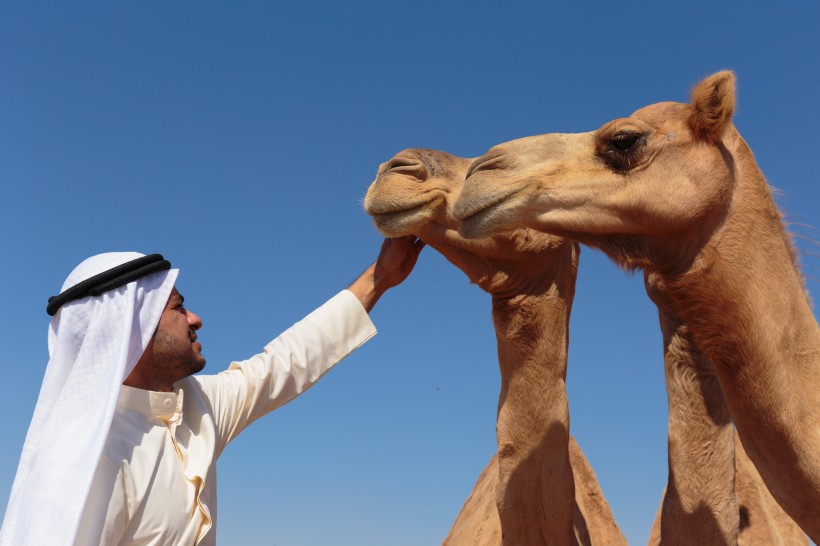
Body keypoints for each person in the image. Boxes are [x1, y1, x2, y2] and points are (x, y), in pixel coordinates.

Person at [0, 236, 424, 546]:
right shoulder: (86, 460)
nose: (196, 318)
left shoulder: (197, 405)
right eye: (178, 307)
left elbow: (286, 362)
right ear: (134, 328)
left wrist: (380, 278)